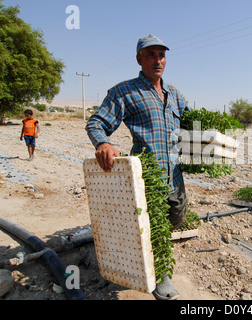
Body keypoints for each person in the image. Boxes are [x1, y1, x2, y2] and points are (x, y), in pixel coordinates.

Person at [85, 34, 188, 300]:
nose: (157, 60)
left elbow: (190, 127)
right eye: (151, 55)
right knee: (154, 226)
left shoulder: (174, 94)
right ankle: (160, 276)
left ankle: (150, 255)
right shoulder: (124, 91)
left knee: (176, 218)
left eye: (161, 55)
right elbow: (96, 122)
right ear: (139, 59)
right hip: (147, 177)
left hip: (174, 174)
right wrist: (103, 144)